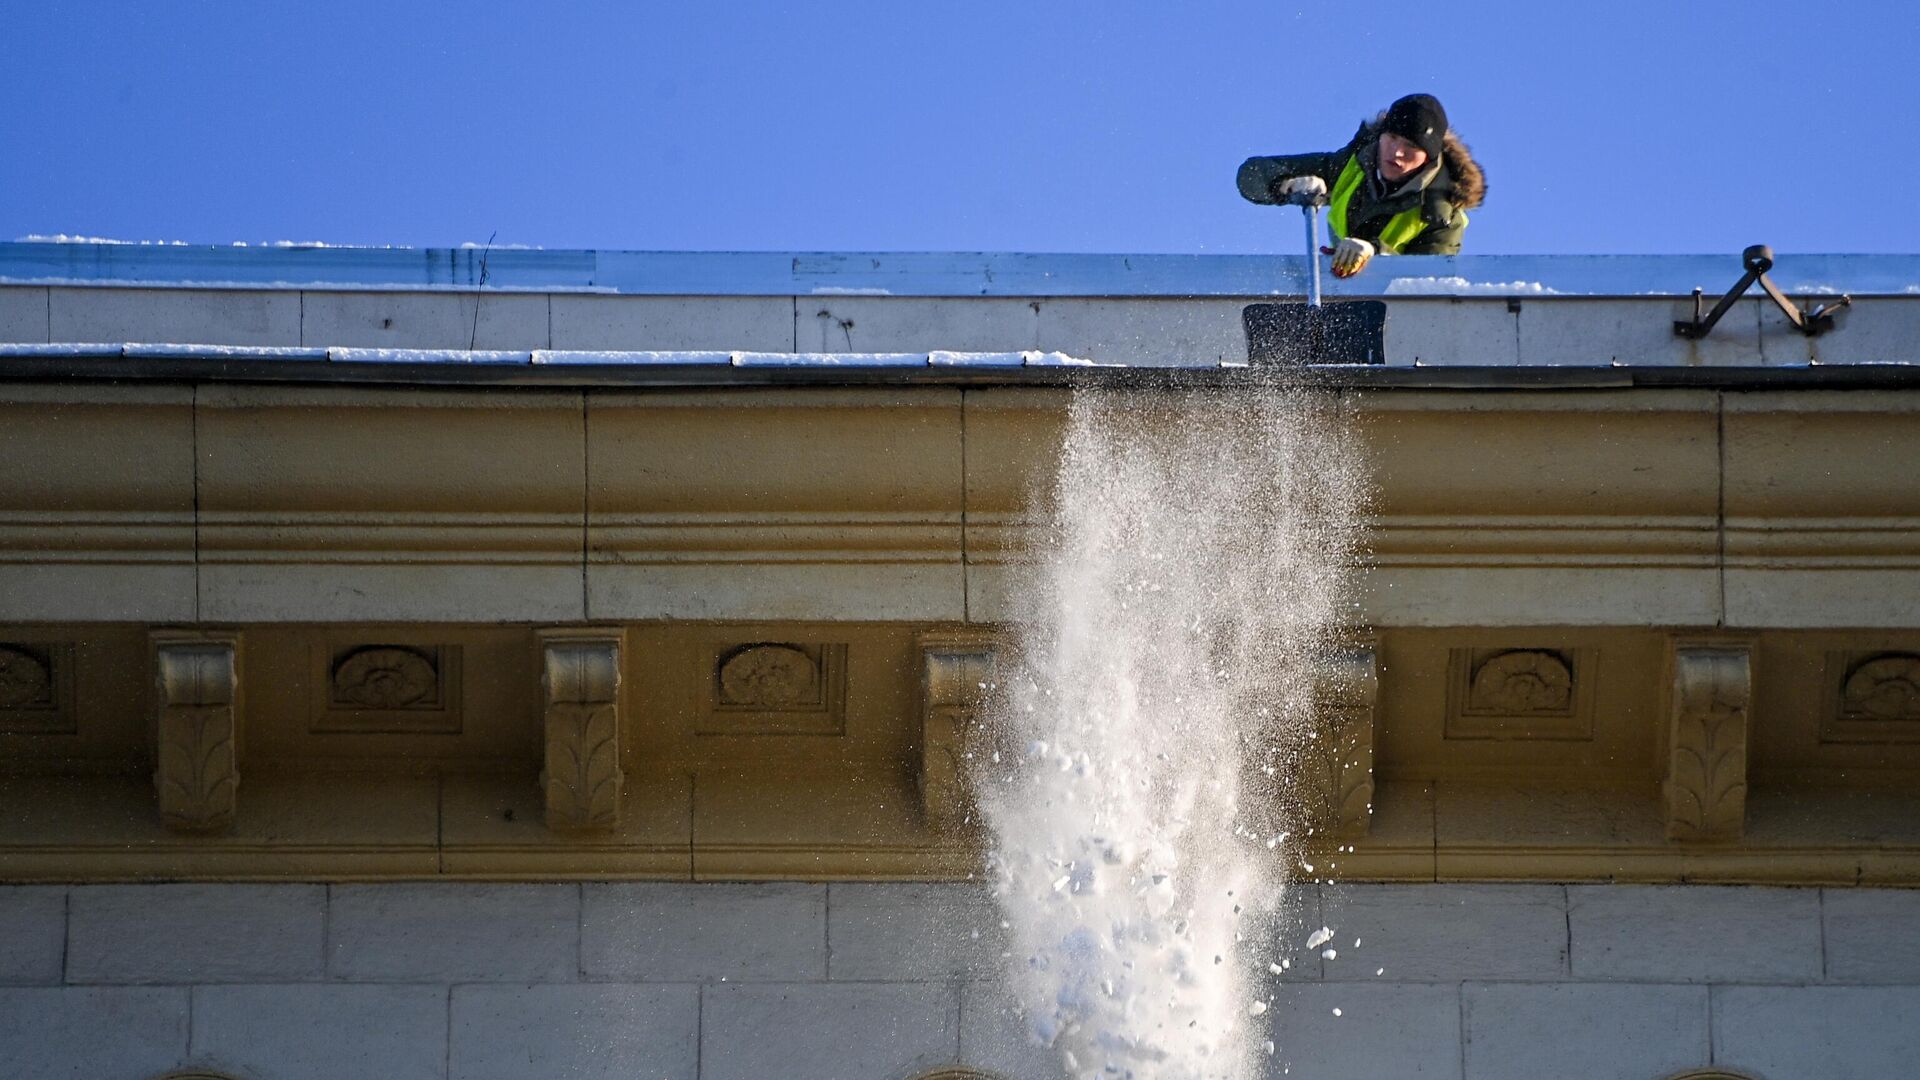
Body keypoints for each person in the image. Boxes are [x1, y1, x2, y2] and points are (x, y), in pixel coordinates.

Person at [1238, 93, 1485, 278]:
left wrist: (1376, 253)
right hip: (1338, 293)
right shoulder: (1350, 164)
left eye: (1410, 146)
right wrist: (1285, 185)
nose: (1396, 152)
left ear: (1428, 157)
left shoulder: (1443, 215)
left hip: (1393, 327)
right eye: (1392, 138)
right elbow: (1251, 174)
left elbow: (1429, 284)